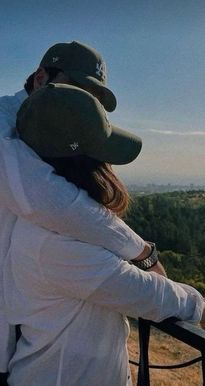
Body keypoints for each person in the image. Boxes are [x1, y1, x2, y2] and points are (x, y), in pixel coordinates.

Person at [3, 83, 205, 386]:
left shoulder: (49, 225)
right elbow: (147, 293)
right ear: (87, 163)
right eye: (105, 155)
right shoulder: (54, 244)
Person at [0, 40, 165, 377]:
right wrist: (142, 252)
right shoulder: (5, 127)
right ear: (41, 77)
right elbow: (47, 200)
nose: (83, 103)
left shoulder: (48, 136)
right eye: (77, 88)